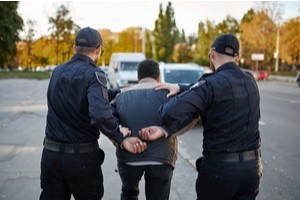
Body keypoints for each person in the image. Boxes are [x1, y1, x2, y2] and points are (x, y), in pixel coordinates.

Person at [139, 33, 263, 200]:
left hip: (220, 172)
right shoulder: (249, 79)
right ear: (237, 57)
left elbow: (169, 112)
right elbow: (215, 87)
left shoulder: (209, 85)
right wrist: (181, 87)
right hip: (252, 170)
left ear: (212, 54)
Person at [40, 27, 146, 200]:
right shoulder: (94, 74)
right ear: (98, 50)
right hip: (81, 159)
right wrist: (119, 135)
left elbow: (76, 97)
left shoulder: (57, 72)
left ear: (75, 49)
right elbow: (99, 114)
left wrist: (117, 92)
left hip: (51, 156)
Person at [111, 59, 196, 200]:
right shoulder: (170, 95)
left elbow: (107, 119)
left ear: (138, 78)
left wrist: (120, 139)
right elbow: (192, 116)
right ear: (158, 77)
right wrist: (166, 130)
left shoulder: (121, 96)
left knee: (128, 193)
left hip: (129, 158)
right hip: (161, 159)